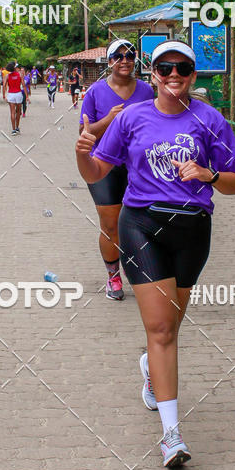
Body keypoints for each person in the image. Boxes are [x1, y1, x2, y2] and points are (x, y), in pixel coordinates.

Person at [76, 41, 235, 469]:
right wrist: (82, 157)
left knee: (171, 325)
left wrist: (208, 174)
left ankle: (151, 369)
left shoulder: (211, 120)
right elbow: (97, 170)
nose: (173, 75)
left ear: (193, 75)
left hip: (192, 231)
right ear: (153, 74)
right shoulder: (131, 117)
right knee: (163, 331)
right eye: (165, 68)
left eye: (182, 68)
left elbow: (234, 184)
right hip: (141, 225)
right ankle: (171, 435)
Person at [79, 39, 153, 301]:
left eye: (130, 56)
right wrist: (110, 119)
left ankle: (145, 274)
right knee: (111, 226)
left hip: (139, 167)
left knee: (142, 224)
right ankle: (113, 276)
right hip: (104, 167)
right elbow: (84, 132)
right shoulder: (95, 92)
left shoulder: (146, 91)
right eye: (118, 56)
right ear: (109, 61)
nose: (125, 60)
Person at [3, 61, 23, 133]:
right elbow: (23, 85)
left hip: (11, 94)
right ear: (14, 68)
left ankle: (13, 129)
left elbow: (4, 85)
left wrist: (4, 95)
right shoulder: (20, 75)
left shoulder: (7, 76)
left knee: (12, 112)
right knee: (18, 112)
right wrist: (27, 96)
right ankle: (17, 127)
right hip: (18, 94)